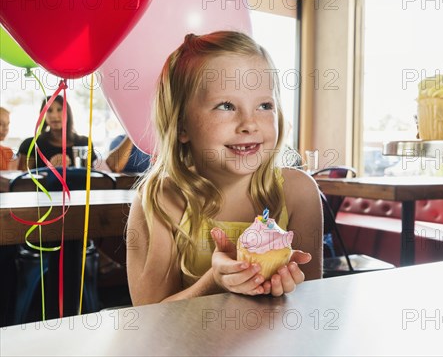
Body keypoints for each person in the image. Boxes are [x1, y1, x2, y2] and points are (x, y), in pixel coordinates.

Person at [127, 31, 323, 305]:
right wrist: (214, 282)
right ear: (182, 125)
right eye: (226, 105)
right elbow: (145, 315)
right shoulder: (162, 200)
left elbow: (314, 304)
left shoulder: (298, 192)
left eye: (265, 105)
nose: (249, 123)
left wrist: (290, 285)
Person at [17, 95, 96, 170]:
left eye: (59, 109)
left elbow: (92, 178)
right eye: (49, 111)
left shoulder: (84, 143)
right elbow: (22, 181)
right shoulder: (30, 145)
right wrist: (50, 169)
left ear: (68, 113)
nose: (54, 115)